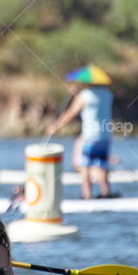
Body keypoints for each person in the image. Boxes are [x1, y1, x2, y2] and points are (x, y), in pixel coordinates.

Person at [45, 67, 116, 200]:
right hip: (105, 135)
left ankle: (87, 195)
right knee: (102, 165)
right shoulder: (108, 94)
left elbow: (71, 113)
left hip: (90, 136)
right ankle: (106, 193)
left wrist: (56, 126)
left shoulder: (85, 95)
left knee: (85, 166)